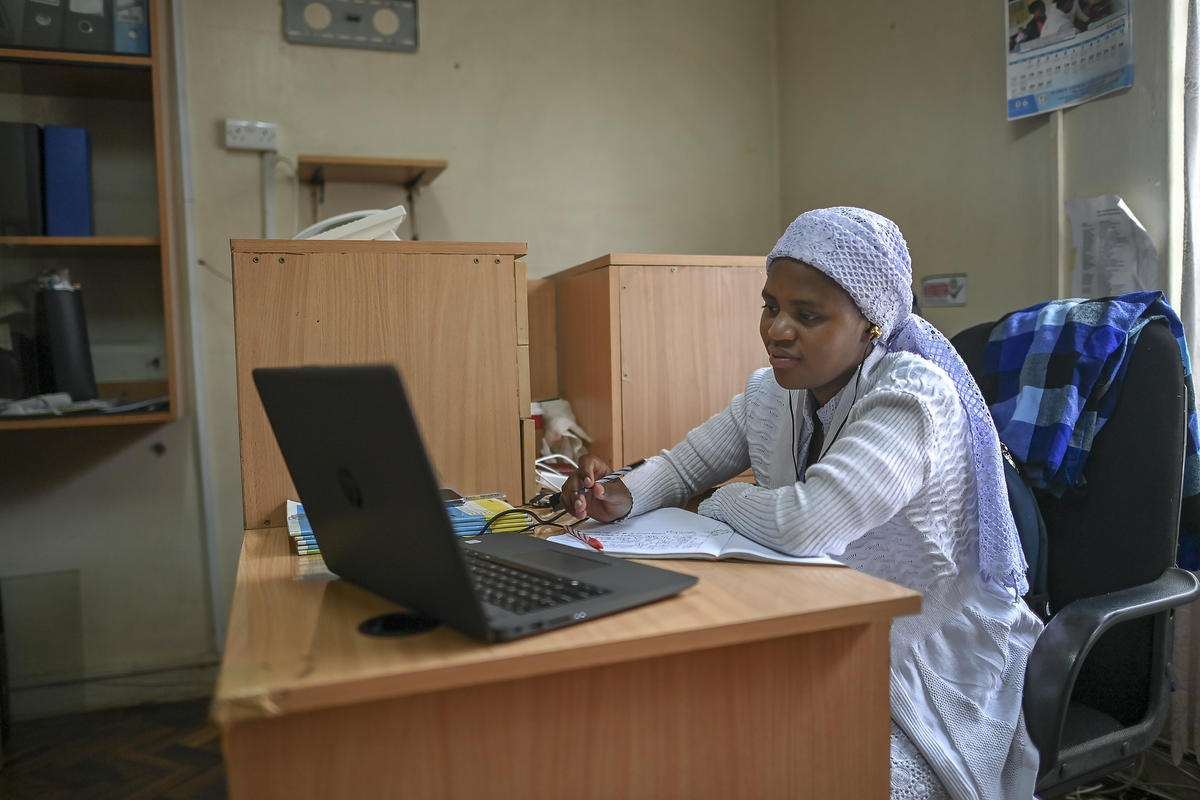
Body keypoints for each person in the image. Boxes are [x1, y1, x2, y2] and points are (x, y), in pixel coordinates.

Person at [561, 207, 1044, 800]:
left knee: (809, 774)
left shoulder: (914, 397)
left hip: (921, 657)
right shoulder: (770, 392)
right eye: (771, 306)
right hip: (818, 624)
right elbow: (685, 466)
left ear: (871, 325)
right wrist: (622, 494)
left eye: (807, 315)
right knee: (686, 731)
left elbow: (806, 524)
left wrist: (722, 502)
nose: (777, 330)